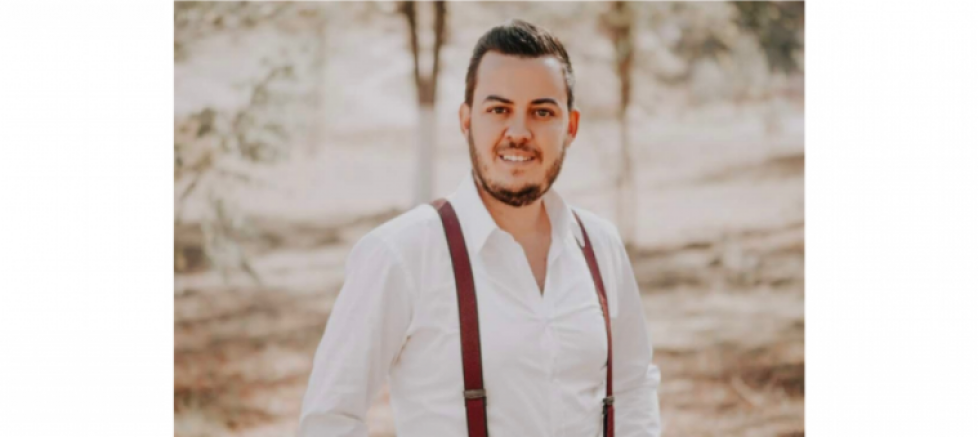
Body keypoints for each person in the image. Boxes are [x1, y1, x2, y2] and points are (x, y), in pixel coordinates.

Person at [298, 19, 661, 437]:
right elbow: (329, 418)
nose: (519, 132)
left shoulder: (600, 245)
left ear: (571, 127)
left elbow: (633, 387)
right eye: (499, 109)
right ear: (466, 119)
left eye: (542, 112)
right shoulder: (401, 253)